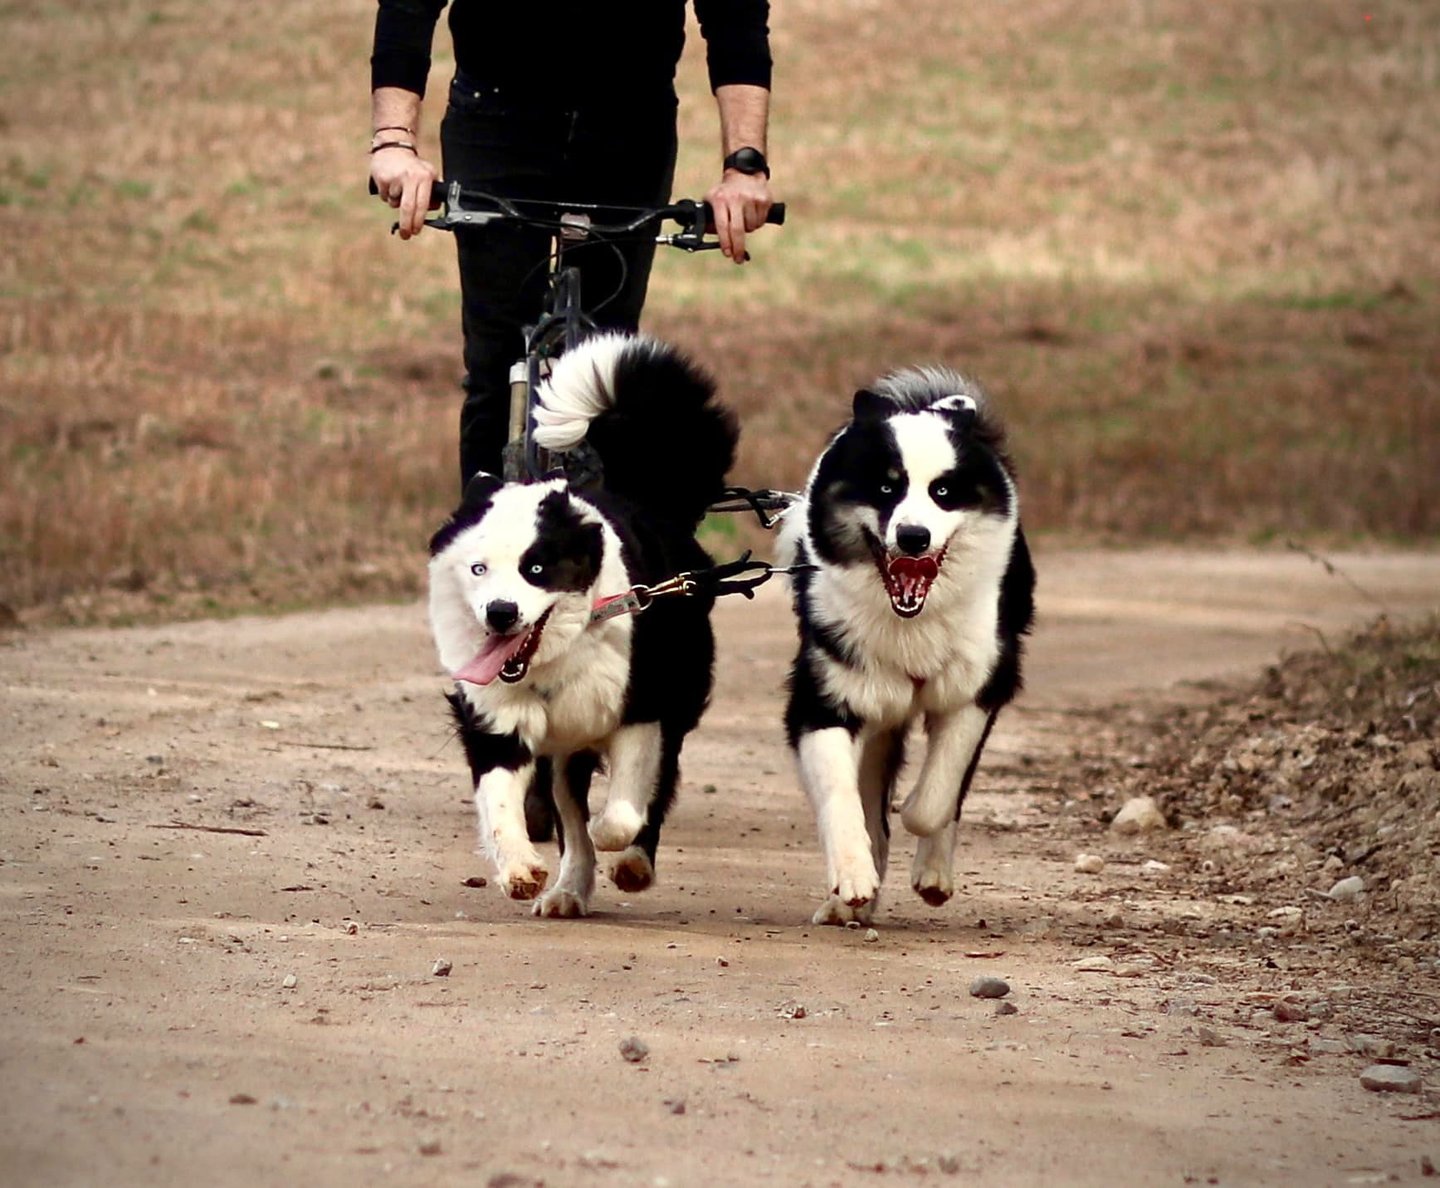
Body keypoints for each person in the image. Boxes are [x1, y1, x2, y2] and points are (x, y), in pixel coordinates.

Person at [368, 2, 775, 487]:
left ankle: (616, 548)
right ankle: (476, 544)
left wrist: (743, 168)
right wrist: (393, 142)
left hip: (629, 124)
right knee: (497, 368)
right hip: (496, 116)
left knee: (609, 368)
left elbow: (735, 16)